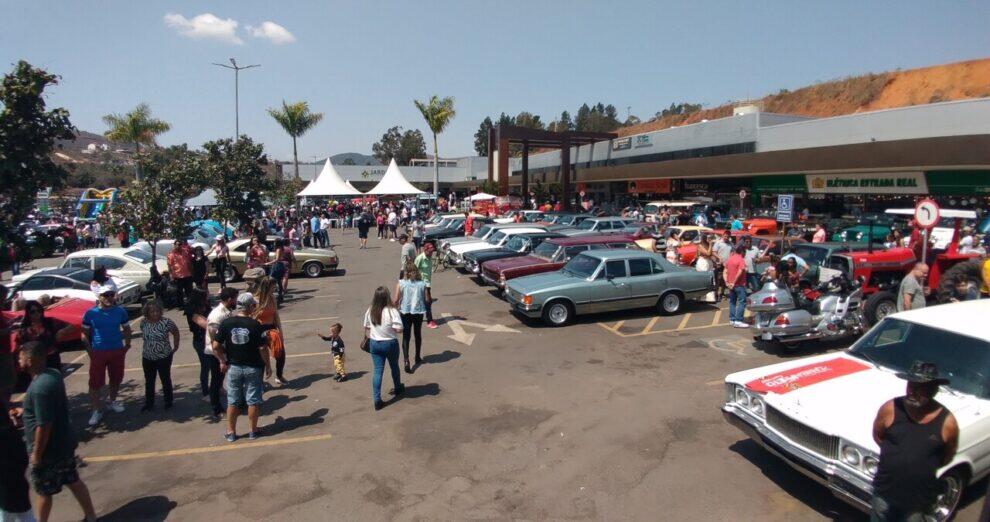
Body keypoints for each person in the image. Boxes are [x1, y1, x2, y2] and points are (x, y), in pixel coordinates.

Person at [17, 341, 98, 522]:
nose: (18, 360)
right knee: (73, 480)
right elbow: (49, 408)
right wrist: (26, 412)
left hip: (49, 452)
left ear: (30, 361)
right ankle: (91, 516)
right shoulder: (52, 375)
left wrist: (37, 455)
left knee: (43, 492)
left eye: (20, 357)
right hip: (64, 444)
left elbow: (44, 425)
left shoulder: (39, 389)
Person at [871, 361, 959, 521]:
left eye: (920, 387)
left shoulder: (947, 422)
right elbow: (878, 436)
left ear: (933, 390)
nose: (912, 391)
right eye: (910, 385)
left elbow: (947, 455)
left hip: (917, 502)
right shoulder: (890, 408)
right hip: (884, 493)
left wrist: (919, 464)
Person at [213, 293, 271, 442]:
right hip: (253, 367)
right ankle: (253, 430)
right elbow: (263, 348)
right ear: (250, 306)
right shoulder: (255, 325)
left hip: (234, 367)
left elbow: (216, 345)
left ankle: (231, 432)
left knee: (233, 400)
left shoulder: (226, 323)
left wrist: (222, 360)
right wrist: (268, 366)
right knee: (253, 400)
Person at [80, 286, 131, 427]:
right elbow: (84, 332)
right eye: (105, 295)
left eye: (111, 295)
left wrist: (127, 345)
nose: (109, 298)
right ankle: (96, 410)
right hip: (98, 352)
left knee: (116, 378)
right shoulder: (90, 313)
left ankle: (112, 401)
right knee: (95, 383)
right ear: (99, 296)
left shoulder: (120, 311)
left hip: (116, 350)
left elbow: (127, 328)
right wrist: (89, 350)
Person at [363, 286, 404, 411]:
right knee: (394, 366)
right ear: (387, 296)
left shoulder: (371, 310)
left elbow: (367, 327)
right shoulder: (392, 311)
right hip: (390, 343)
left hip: (375, 343)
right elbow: (399, 329)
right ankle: (397, 388)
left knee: (377, 371)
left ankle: (377, 399)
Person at [138, 301, 179, 411]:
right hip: (147, 356)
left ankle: (168, 401)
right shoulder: (143, 323)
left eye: (157, 311)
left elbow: (175, 332)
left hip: (164, 356)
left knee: (165, 378)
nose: (155, 313)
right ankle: (149, 403)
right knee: (149, 380)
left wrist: (176, 346)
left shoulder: (166, 322)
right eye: (152, 311)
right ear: (147, 312)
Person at [13, 301, 76, 371]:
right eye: (33, 311)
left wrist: (62, 332)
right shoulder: (24, 329)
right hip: (35, 362)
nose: (37, 313)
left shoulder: (49, 322)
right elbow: (18, 346)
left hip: (52, 359)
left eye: (39, 310)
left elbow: (72, 326)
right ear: (28, 314)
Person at [205, 287, 238, 418]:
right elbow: (214, 342)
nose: (236, 301)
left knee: (220, 379)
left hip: (224, 351)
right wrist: (221, 360)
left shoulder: (227, 312)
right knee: (216, 382)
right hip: (216, 354)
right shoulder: (217, 316)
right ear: (230, 299)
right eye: (235, 299)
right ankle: (216, 409)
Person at [252, 276, 288, 386]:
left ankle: (279, 376)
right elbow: (251, 318)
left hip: (272, 328)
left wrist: (280, 332)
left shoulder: (272, 298)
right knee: (261, 357)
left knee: (280, 354)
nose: (275, 288)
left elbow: (276, 315)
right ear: (266, 287)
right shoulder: (255, 300)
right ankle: (261, 381)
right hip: (259, 330)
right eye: (273, 287)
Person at [395, 260, 427, 373]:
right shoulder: (422, 283)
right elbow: (427, 299)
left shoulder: (401, 283)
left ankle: (406, 360)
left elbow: (396, 299)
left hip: (405, 311)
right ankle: (417, 357)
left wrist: (395, 310)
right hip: (418, 312)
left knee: (406, 336)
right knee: (417, 334)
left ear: (406, 272)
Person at [724, 244, 748, 328]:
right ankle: (738, 320)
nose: (745, 254)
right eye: (745, 252)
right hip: (739, 284)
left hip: (731, 285)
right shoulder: (741, 260)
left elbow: (725, 270)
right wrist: (734, 282)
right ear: (742, 252)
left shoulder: (730, 259)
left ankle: (732, 319)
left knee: (732, 302)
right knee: (742, 301)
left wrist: (727, 282)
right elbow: (740, 272)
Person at [415, 243, 438, 329]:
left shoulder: (430, 258)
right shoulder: (420, 258)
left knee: (421, 302)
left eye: (432, 252)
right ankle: (430, 321)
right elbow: (414, 270)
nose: (431, 253)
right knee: (428, 302)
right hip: (421, 284)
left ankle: (414, 317)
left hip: (428, 283)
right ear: (425, 250)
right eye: (430, 251)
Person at [167, 239, 194, 307]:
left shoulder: (185, 252)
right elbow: (169, 266)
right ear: (175, 245)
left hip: (187, 275)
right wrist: (171, 276)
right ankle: (181, 305)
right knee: (179, 292)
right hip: (178, 276)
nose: (180, 246)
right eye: (178, 245)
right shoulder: (171, 254)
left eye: (181, 244)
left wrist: (192, 272)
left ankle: (190, 303)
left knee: (189, 291)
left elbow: (189, 262)